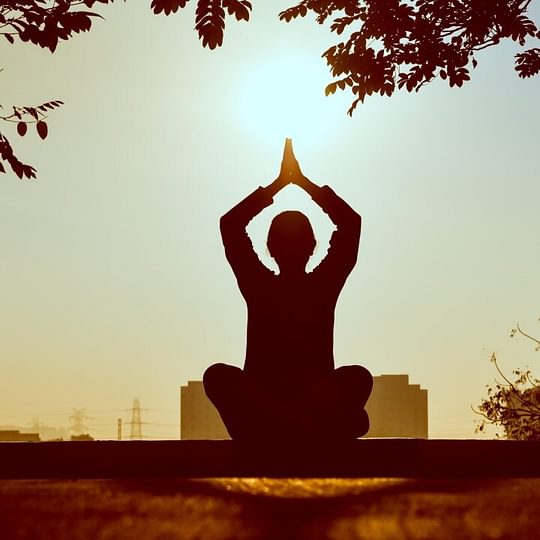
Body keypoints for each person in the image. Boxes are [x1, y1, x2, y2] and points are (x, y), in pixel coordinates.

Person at [204, 139, 372, 441]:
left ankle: (290, 422)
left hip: (282, 407)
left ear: (269, 248)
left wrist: (280, 185)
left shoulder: (265, 284)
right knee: (217, 376)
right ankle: (301, 423)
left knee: (358, 377)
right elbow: (350, 223)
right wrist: (301, 184)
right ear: (313, 247)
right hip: (284, 405)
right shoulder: (313, 284)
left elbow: (231, 225)